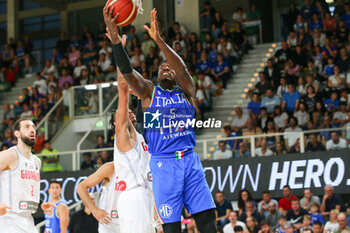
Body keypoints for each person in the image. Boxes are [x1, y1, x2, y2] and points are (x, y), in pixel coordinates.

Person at [104, 7, 216, 233]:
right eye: (162, 68)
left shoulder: (186, 91)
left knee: (208, 224)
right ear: (155, 76)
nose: (167, 69)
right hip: (164, 165)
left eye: (170, 68)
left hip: (190, 161)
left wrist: (159, 40)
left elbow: (182, 69)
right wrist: (116, 41)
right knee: (172, 228)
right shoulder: (148, 92)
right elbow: (127, 72)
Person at [0, 119, 56, 233]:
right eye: (26, 127)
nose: (32, 130)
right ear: (17, 133)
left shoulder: (36, 161)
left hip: (29, 220)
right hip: (9, 219)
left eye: (33, 127)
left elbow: (27, 186)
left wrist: (41, 203)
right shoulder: (10, 155)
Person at [77, 162, 121, 233]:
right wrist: (94, 210)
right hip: (109, 224)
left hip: (131, 220)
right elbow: (81, 187)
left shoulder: (142, 168)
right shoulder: (110, 167)